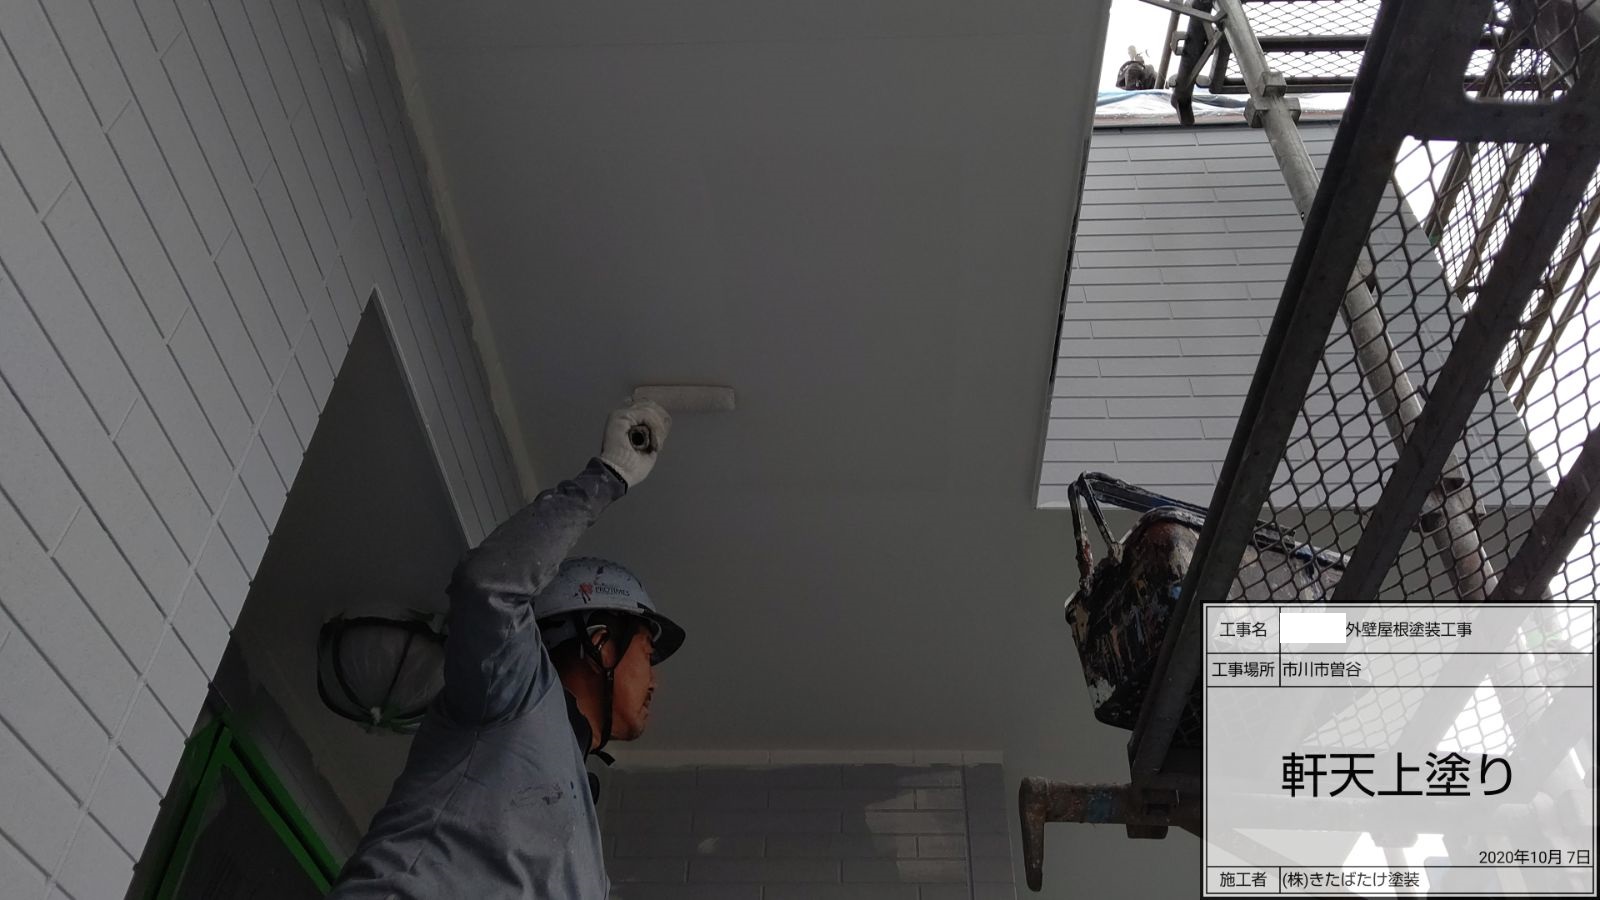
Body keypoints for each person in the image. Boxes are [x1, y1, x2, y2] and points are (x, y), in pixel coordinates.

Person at [327, 399, 685, 899]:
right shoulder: (515, 691)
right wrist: (608, 476)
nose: (655, 680)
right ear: (601, 642)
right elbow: (489, 587)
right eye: (647, 653)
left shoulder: (586, 845)